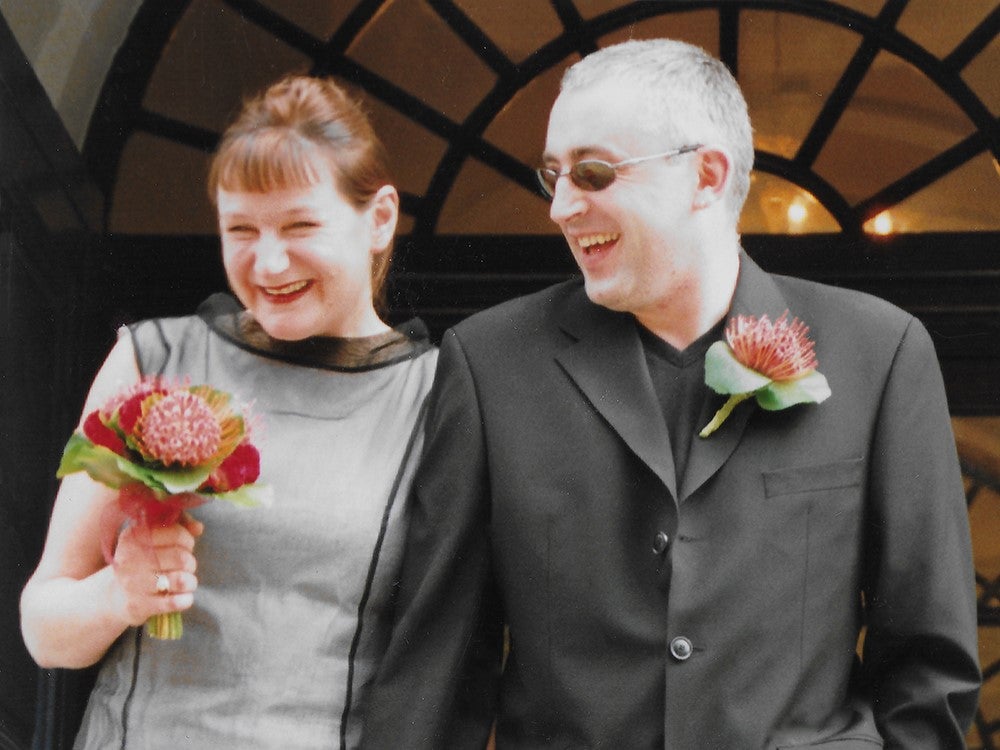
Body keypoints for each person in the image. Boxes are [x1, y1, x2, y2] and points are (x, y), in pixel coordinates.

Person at [362, 38, 981, 748]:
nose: (562, 206)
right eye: (553, 176)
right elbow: (439, 669)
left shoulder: (882, 353)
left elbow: (929, 670)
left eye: (593, 173)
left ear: (706, 176)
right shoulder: (490, 362)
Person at [20, 75, 437, 749]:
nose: (269, 262)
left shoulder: (438, 397)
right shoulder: (154, 358)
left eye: (301, 225)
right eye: (240, 229)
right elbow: (44, 628)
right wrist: (119, 595)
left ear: (380, 218)